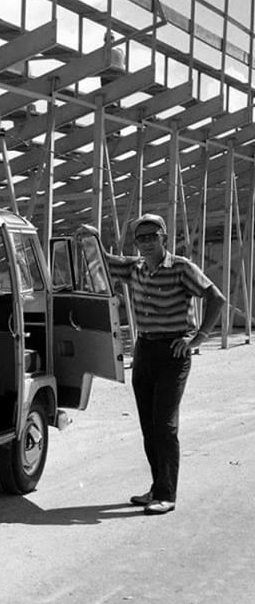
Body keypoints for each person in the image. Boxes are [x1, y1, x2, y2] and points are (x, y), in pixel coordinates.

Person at [84, 214, 225, 515]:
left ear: (164, 238)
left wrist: (198, 338)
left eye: (152, 237)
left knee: (165, 425)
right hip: (145, 350)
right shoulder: (134, 268)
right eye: (141, 238)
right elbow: (103, 260)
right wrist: (91, 236)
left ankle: (167, 495)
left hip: (173, 352)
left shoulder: (182, 268)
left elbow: (216, 298)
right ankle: (157, 486)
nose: (147, 243)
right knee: (149, 426)